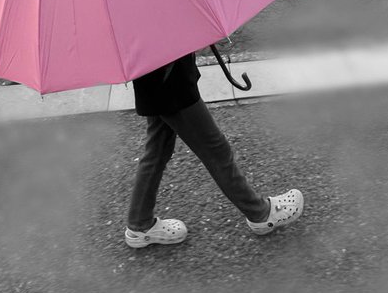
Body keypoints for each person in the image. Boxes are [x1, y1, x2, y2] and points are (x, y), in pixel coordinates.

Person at [125, 50, 304, 248]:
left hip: (156, 73)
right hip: (168, 79)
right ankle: (261, 213)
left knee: (158, 148)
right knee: (215, 150)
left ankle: (139, 223)